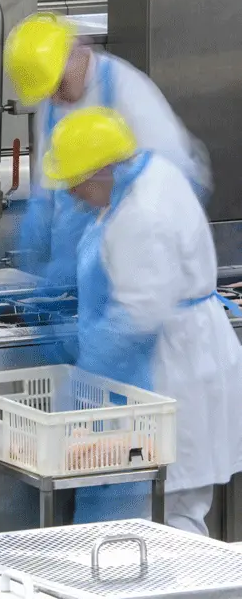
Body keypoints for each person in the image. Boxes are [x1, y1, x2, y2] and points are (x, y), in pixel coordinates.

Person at [41, 107, 242, 534]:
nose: (72, 194)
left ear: (102, 171)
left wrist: (86, 365)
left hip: (176, 369)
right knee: (164, 506)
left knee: (171, 513)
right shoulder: (147, 175)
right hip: (180, 358)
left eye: (74, 182)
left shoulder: (142, 214)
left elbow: (138, 315)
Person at [6, 12, 211, 288]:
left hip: (131, 260)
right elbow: (49, 181)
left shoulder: (128, 91)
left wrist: (120, 246)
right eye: (47, 91)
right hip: (73, 264)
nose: (54, 98)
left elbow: (176, 182)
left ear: (77, 54)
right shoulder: (53, 104)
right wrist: (37, 229)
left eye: (58, 85)